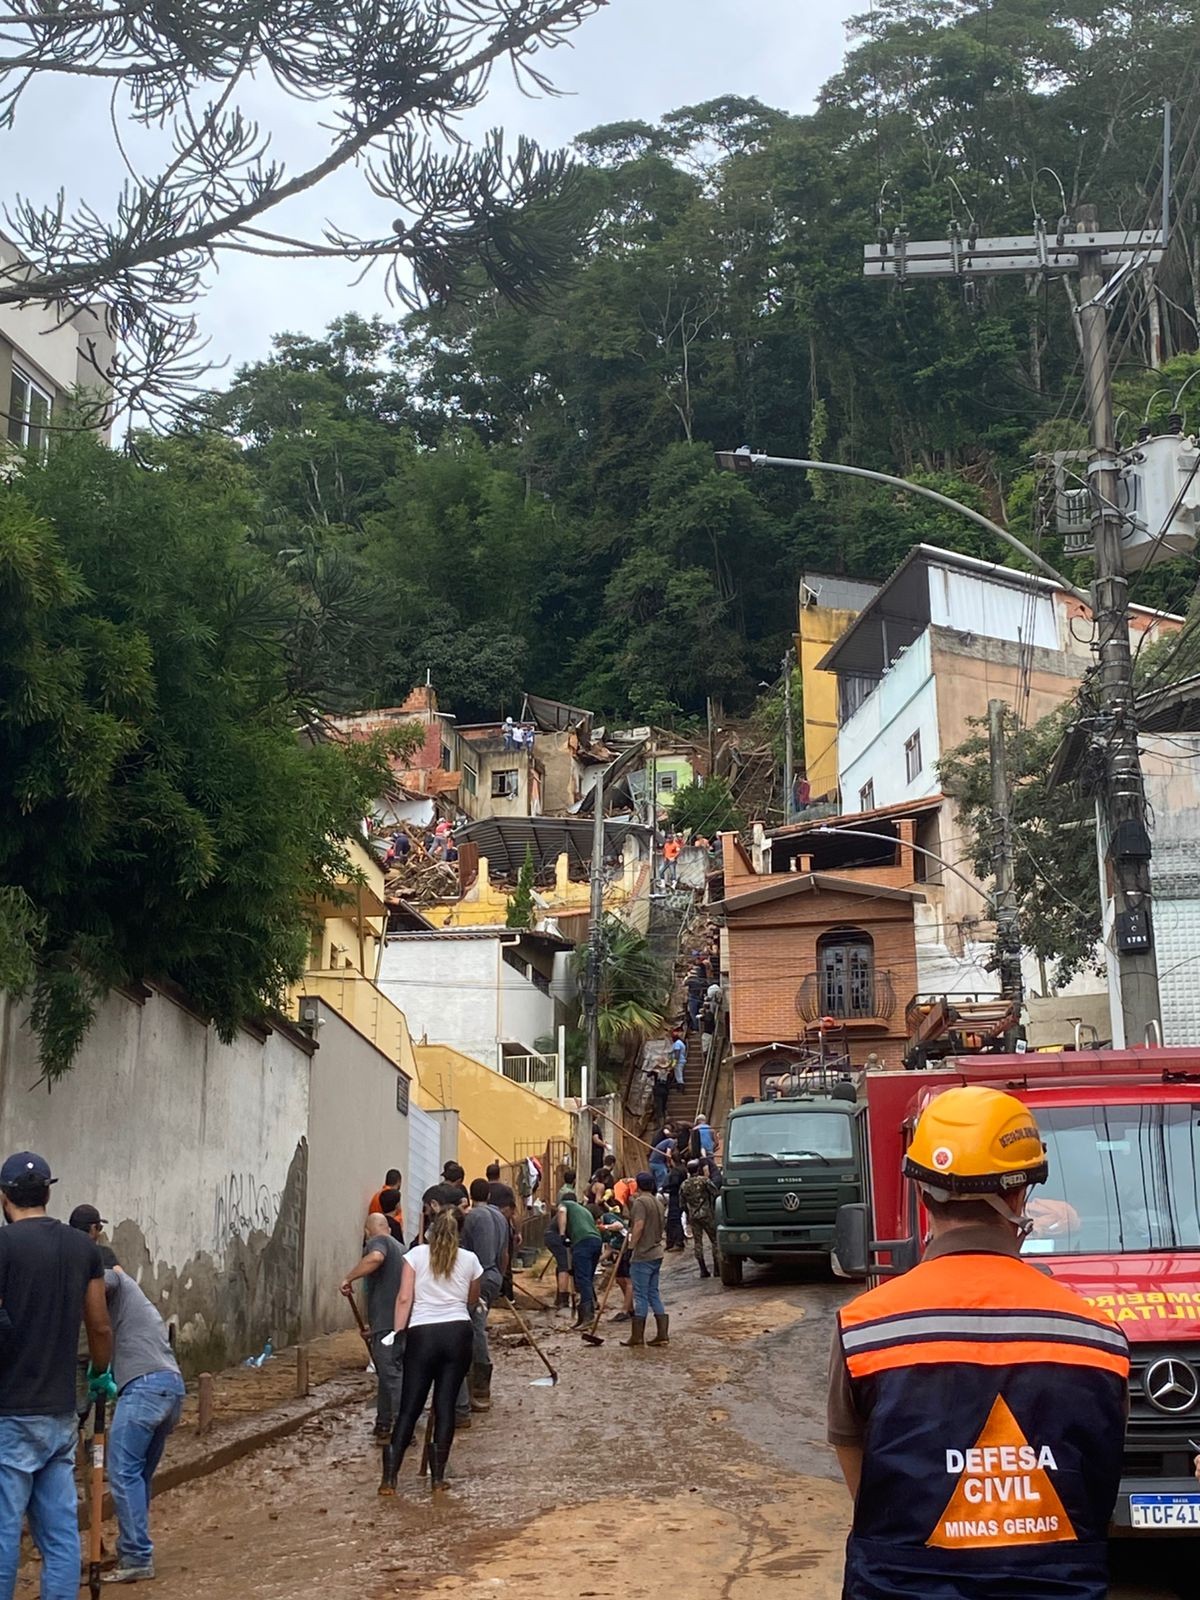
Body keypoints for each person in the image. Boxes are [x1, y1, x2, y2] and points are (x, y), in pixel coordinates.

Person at [828, 1086, 1129, 1600]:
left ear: (921, 1191)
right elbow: (1096, 1484)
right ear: (1019, 1197)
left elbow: (865, 1486)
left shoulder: (865, 1327)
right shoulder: (1097, 1336)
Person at [0, 1152, 113, 1600]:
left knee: (6, 1532)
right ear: (48, 1193)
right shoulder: (84, 1249)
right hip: (61, 1412)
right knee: (62, 1535)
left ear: (4, 1197)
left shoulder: (3, 1247)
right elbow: (100, 1325)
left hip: (9, 1411)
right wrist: (102, 1374)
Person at [379, 1210, 482, 1497]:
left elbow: (404, 1297)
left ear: (431, 1231)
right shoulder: (470, 1260)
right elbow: (472, 1299)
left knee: (411, 1406)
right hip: (458, 1333)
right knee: (445, 1404)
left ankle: (389, 1478)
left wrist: (397, 1333)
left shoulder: (416, 1256)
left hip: (422, 1334)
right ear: (458, 1232)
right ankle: (438, 1479)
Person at [101, 1252, 186, 1584]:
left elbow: (100, 1281)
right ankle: (131, 1550)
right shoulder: (135, 1303)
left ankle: (136, 1556)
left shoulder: (115, 1281)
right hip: (170, 1387)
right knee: (137, 1477)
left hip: (144, 1390)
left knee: (122, 1472)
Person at [340, 1214, 406, 1440]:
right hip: (397, 1322)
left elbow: (375, 1258)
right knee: (388, 1373)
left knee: (390, 1374)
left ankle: (402, 1426)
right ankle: (384, 1423)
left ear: (368, 1231)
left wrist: (349, 1278)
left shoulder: (379, 1242)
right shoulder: (402, 1248)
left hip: (387, 1323)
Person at [459, 1179, 508, 1415]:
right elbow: (506, 1253)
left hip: (478, 1277)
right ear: (488, 1194)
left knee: (475, 1328)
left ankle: (479, 1387)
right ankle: (474, 1386)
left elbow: (465, 1254)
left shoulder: (471, 1218)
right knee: (476, 1326)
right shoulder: (500, 1216)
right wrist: (501, 1279)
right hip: (494, 1276)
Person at [623, 1172, 668, 1349]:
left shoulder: (641, 1202)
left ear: (638, 1186)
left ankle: (637, 1337)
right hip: (657, 1252)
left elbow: (639, 1225)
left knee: (641, 1295)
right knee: (653, 1293)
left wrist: (631, 1247)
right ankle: (662, 1334)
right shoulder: (658, 1202)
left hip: (643, 1254)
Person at [556, 1187, 602, 1328]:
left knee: (582, 1279)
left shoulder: (565, 1205)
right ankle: (584, 1315)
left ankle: (588, 1317)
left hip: (583, 1243)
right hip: (596, 1241)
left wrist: (562, 1234)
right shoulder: (584, 1210)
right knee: (586, 1278)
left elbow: (562, 1212)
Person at [680, 1160, 721, 1279]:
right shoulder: (704, 1181)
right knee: (714, 1241)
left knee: (698, 1243)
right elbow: (715, 1193)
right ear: (698, 1169)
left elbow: (682, 1203)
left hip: (693, 1216)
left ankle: (703, 1269)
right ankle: (717, 1269)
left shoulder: (684, 1185)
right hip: (707, 1214)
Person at [663, 1154, 686, 1252]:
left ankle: (678, 1242)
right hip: (680, 1196)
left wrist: (666, 1188)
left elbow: (675, 1184)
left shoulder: (676, 1171)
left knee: (674, 1220)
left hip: (675, 1197)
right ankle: (671, 1242)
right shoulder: (683, 1169)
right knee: (673, 1220)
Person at [648, 1127, 675, 1193]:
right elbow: (668, 1154)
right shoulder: (671, 1141)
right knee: (662, 1183)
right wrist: (669, 1164)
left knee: (654, 1182)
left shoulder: (662, 1143)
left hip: (652, 1163)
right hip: (658, 1164)